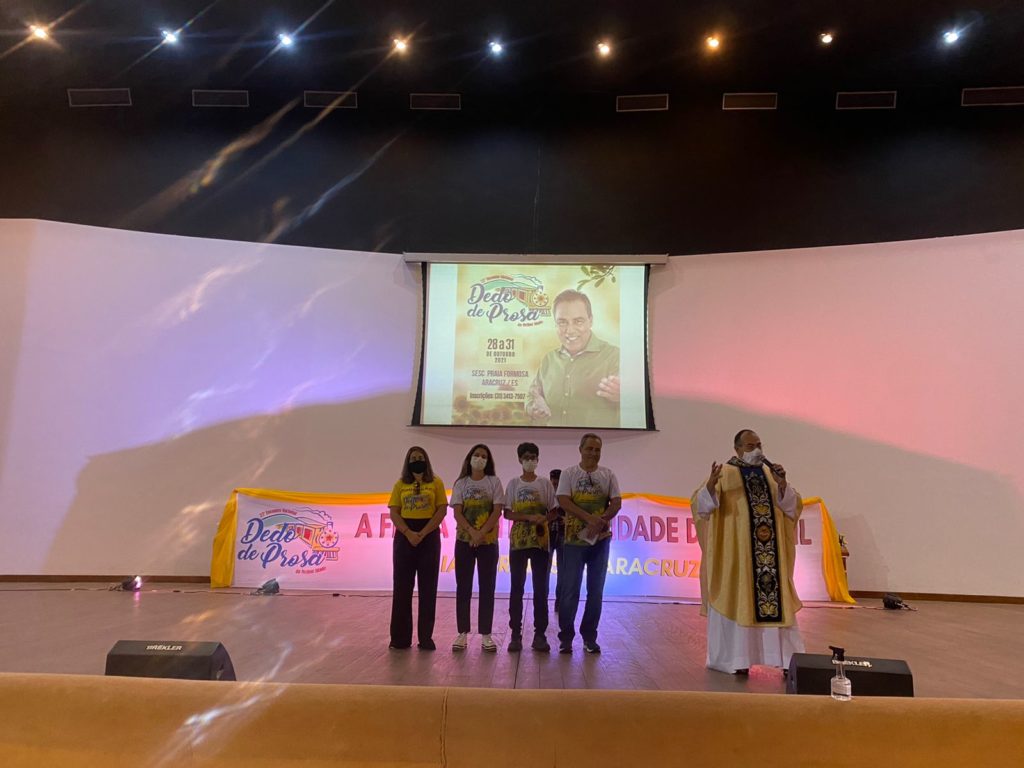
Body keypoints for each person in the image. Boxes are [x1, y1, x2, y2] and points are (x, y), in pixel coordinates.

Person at [690, 429, 805, 674]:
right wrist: (710, 485)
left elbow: (791, 507)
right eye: (750, 446)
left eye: (759, 445)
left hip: (770, 558)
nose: (757, 450)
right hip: (738, 558)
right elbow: (701, 507)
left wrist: (783, 484)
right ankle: (737, 660)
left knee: (775, 601)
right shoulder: (725, 473)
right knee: (739, 599)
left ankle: (786, 661)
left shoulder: (771, 473)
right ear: (737, 449)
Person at [556, 433, 622, 654]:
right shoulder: (569, 474)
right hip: (573, 541)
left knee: (595, 591)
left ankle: (589, 637)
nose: (593, 453)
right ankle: (566, 638)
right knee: (569, 591)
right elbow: (563, 500)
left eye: (597, 449)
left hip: (600, 542)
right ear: (580, 449)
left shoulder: (608, 474)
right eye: (589, 448)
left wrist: (600, 521)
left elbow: (616, 502)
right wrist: (588, 518)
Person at [525, 289, 621, 428]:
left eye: (578, 321)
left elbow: (634, 399)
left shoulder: (614, 356)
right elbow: (532, 396)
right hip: (552, 440)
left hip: (596, 441)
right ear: (555, 324)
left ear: (590, 321)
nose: (570, 330)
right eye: (562, 322)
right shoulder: (549, 360)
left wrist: (624, 397)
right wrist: (533, 408)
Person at [387, 446, 448, 651]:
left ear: (426, 460)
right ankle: (400, 639)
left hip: (428, 536)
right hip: (405, 537)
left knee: (428, 588)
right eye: (413, 458)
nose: (417, 460)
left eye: (420, 457)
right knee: (402, 589)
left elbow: (441, 510)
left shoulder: (436, 482)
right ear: (408, 462)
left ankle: (426, 638)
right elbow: (394, 512)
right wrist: (408, 532)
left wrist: (423, 533)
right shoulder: (400, 484)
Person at [503, 442, 558, 652]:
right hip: (518, 542)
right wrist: (528, 517)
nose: (530, 460)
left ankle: (540, 635)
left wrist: (543, 519)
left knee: (540, 589)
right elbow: (507, 513)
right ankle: (515, 634)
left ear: (538, 459)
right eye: (526, 457)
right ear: (519, 459)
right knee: (516, 588)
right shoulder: (513, 484)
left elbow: (554, 510)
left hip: (540, 542)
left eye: (533, 457)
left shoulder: (545, 484)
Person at [450, 444, 504, 652]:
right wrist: (472, 532)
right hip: (464, 541)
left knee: (487, 587)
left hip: (488, 543)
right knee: (463, 587)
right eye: (476, 455)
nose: (480, 458)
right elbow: (457, 512)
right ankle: (462, 633)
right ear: (469, 458)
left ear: (488, 461)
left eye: (484, 456)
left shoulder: (494, 482)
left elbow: (497, 511)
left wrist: (481, 533)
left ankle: (486, 634)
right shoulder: (461, 483)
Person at [547, 468, 565, 614]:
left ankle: (560, 602)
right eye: (553, 480)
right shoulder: (546, 494)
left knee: (563, 571)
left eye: (557, 480)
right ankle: (543, 600)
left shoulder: (566, 495)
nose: (555, 482)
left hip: (563, 535)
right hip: (547, 535)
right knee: (544, 570)